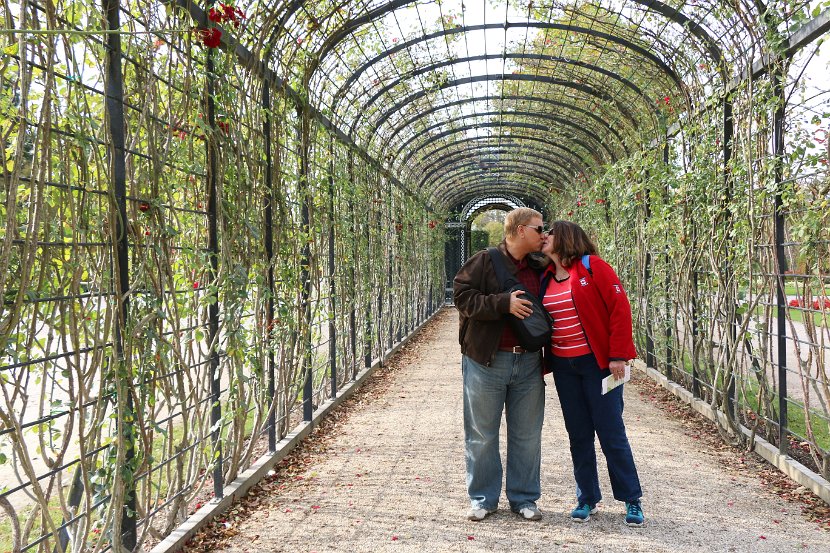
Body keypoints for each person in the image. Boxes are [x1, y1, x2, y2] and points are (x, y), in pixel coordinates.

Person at [539, 220, 644, 527]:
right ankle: (586, 497)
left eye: (550, 233)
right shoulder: (545, 277)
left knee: (610, 430)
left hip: (598, 365)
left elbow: (619, 308)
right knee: (578, 433)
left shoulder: (594, 267)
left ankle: (632, 499)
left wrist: (618, 355)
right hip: (564, 366)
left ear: (566, 238)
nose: (544, 237)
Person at [453, 207, 548, 522]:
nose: (544, 234)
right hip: (487, 362)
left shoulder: (540, 266)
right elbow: (462, 297)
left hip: (529, 363)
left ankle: (524, 499)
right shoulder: (485, 261)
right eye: (539, 228)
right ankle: (483, 499)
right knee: (482, 433)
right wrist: (501, 304)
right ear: (521, 230)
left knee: (527, 435)